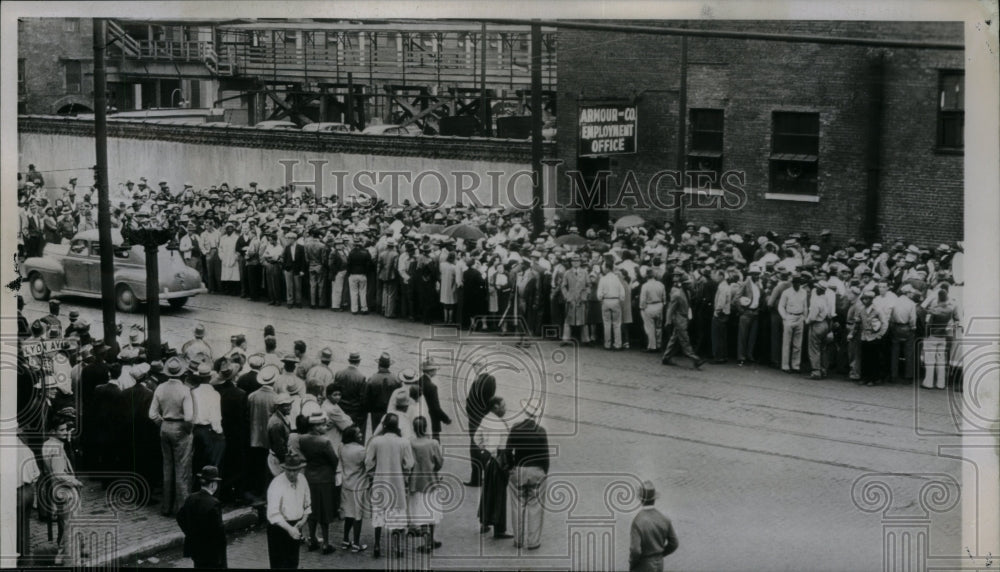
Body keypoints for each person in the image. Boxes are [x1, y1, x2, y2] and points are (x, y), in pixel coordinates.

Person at [148, 356, 195, 517]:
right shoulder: (185, 390)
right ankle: (182, 507)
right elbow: (189, 417)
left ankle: (166, 506)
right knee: (182, 468)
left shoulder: (160, 388)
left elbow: (152, 413)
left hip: (165, 426)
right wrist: (188, 430)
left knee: (167, 467)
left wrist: (162, 423)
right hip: (180, 426)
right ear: (182, 373)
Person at [365, 413, 415, 559]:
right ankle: (397, 547)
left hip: (380, 483)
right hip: (397, 484)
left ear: (384, 425)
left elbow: (368, 461)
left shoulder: (376, 441)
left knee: (379, 515)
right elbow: (409, 463)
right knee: (397, 517)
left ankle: (377, 545)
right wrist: (405, 475)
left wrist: (372, 474)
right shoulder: (404, 442)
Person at [41, 417, 86, 565]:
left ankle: (60, 556)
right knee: (71, 529)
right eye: (61, 430)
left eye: (65, 429)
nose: (65, 432)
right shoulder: (58, 448)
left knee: (65, 525)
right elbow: (59, 473)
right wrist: (75, 481)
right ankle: (72, 562)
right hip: (66, 490)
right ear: (52, 431)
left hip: (56, 490)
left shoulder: (47, 445)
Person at [507, 397, 550, 550]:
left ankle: (518, 540)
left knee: (517, 505)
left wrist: (511, 467)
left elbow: (507, 452)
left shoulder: (515, 428)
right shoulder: (541, 432)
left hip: (518, 470)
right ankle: (533, 542)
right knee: (535, 506)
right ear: (536, 416)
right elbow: (546, 457)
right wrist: (544, 472)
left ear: (524, 412)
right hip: (537, 471)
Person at [298, 411, 340, 555]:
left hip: (310, 476)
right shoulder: (325, 441)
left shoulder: (302, 439)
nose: (324, 426)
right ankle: (326, 544)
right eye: (322, 424)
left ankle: (312, 539)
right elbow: (334, 460)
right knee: (325, 511)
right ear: (315, 426)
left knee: (312, 509)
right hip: (325, 478)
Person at [176, 465, 228, 569]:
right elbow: (219, 531)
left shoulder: (191, 498)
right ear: (213, 484)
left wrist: (189, 533)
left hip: (196, 549)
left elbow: (180, 517)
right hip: (211, 553)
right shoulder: (214, 503)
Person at [266, 452, 311, 569]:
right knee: (279, 564)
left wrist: (304, 519)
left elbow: (307, 503)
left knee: (293, 562)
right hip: (279, 527)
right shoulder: (276, 484)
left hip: (296, 526)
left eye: (295, 470)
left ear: (300, 469)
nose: (292, 473)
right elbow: (273, 513)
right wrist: (289, 529)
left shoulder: (303, 479)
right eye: (289, 470)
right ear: (284, 468)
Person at [476, 396, 512, 539]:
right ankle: (500, 529)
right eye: (503, 406)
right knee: (499, 494)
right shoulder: (497, 423)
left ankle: (484, 522)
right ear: (496, 407)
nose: (505, 408)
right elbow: (494, 446)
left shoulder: (486, 418)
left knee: (488, 491)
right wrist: (493, 455)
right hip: (498, 459)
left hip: (489, 460)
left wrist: (483, 450)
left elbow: (476, 437)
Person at [409, 416, 444, 553]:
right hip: (431, 481)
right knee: (431, 511)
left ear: (414, 428)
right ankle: (431, 540)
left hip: (416, 482)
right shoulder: (433, 443)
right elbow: (439, 462)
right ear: (425, 427)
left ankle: (427, 541)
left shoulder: (410, 443)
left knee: (421, 513)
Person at [629, 481, 679, 572]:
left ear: (641, 500)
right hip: (659, 564)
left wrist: (632, 564)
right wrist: (660, 555)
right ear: (654, 499)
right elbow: (674, 544)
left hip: (643, 565)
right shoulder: (664, 519)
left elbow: (635, 550)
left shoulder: (637, 521)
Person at [247, 364, 279, 499]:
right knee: (268, 466)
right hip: (268, 437)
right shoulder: (275, 397)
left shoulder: (252, 396)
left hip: (254, 435)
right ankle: (266, 492)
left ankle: (256, 489)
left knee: (256, 464)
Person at [661, 271, 705, 368]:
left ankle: (666, 357)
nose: (690, 285)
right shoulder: (677, 295)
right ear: (684, 284)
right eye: (688, 284)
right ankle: (695, 358)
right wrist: (668, 321)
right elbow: (670, 309)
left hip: (684, 318)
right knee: (685, 340)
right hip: (679, 319)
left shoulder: (686, 293)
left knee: (674, 339)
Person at [465, 357, 496, 487]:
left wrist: (475, 413)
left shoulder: (481, 380)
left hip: (476, 420)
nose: (473, 367)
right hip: (480, 418)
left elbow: (476, 401)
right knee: (482, 446)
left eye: (475, 365)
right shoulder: (489, 379)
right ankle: (484, 476)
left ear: (482, 366)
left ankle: (476, 478)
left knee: (475, 448)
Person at [338, 426, 369, 553]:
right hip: (359, 486)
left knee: (348, 514)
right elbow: (368, 465)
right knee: (357, 516)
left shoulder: (341, 448)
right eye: (358, 433)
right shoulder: (362, 450)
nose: (361, 434)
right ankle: (356, 543)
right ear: (353, 436)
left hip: (346, 484)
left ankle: (345, 540)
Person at [16, 432, 41, 566]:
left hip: (14, 492)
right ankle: (24, 557)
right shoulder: (26, 448)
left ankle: (15, 557)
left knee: (12, 527)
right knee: (24, 526)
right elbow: (36, 473)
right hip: (28, 490)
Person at [415, 358, 452, 442]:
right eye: (435, 369)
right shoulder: (432, 387)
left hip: (419, 417)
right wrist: (446, 419)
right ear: (430, 371)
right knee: (435, 444)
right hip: (432, 420)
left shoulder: (419, 381)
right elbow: (436, 408)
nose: (436, 371)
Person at [332, 352, 368, 436]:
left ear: (349, 361)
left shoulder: (339, 373)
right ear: (358, 362)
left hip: (340, 409)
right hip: (353, 412)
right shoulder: (361, 377)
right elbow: (362, 398)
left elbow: (333, 391)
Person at [778, 274, 809, 373]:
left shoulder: (803, 292)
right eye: (796, 282)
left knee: (797, 344)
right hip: (789, 317)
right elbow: (781, 306)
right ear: (792, 283)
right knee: (787, 343)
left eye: (799, 282)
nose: (797, 284)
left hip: (799, 317)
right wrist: (784, 317)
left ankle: (796, 365)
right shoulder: (786, 292)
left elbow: (805, 306)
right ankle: (785, 365)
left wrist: (804, 317)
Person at [364, 352, 399, 432]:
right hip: (391, 412)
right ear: (389, 365)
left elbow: (366, 399)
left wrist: (369, 410)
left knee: (376, 433)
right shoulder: (396, 379)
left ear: (379, 364)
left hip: (376, 413)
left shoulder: (372, 379)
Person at [638, 269, 666, 352]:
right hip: (659, 305)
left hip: (649, 306)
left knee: (650, 327)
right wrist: (663, 304)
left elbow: (642, 299)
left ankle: (652, 346)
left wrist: (642, 307)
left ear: (647, 276)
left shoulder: (645, 285)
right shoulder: (661, 284)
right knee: (658, 327)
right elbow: (664, 297)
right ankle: (659, 345)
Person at [347, 238, 373, 314]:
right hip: (362, 274)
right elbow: (369, 264)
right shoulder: (366, 252)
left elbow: (348, 264)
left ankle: (354, 309)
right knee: (363, 292)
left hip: (353, 274)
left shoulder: (351, 252)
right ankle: (364, 308)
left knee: (353, 292)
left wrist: (349, 273)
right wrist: (366, 272)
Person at [282, 231, 307, 309]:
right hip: (288, 268)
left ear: (293, 239)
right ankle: (290, 301)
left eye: (289, 238)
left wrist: (302, 270)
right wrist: (284, 268)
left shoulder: (301, 247)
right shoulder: (287, 247)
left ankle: (298, 301)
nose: (287, 240)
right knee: (289, 286)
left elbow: (303, 260)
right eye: (287, 238)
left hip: (298, 269)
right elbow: (284, 258)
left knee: (298, 286)